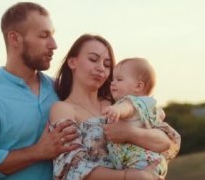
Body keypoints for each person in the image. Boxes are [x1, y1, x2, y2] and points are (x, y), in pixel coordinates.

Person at [0, 2, 80, 180]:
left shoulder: (61, 89)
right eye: (44, 35)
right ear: (14, 39)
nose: (54, 45)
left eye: (52, 35)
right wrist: (37, 152)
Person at [50, 34, 181, 179]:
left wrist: (130, 133)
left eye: (107, 64)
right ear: (72, 62)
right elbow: (72, 166)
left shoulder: (120, 103)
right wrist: (128, 176)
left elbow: (166, 143)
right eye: (93, 59)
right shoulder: (62, 109)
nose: (101, 68)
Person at [102, 57, 181, 177]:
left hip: (140, 160)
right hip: (148, 160)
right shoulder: (147, 105)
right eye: (113, 79)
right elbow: (160, 115)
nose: (113, 83)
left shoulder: (131, 102)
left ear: (138, 86)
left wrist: (116, 110)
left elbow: (127, 109)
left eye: (119, 79)